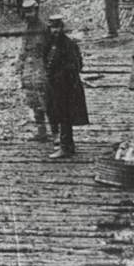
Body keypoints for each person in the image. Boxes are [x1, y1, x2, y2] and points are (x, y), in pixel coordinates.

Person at [44, 15, 89, 159]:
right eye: (52, 28)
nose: (55, 31)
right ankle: (66, 144)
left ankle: (66, 146)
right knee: (57, 113)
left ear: (62, 28)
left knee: (65, 116)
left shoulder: (69, 45)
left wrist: (60, 77)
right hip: (55, 86)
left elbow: (75, 66)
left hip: (67, 86)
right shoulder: (50, 43)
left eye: (58, 27)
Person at [16, 0, 56, 142]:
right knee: (32, 100)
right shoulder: (27, 27)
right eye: (26, 12)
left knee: (46, 99)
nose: (28, 15)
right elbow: (24, 46)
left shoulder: (45, 28)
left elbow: (52, 48)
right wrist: (20, 63)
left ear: (36, 11)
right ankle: (41, 131)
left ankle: (56, 132)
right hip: (29, 66)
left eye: (31, 11)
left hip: (42, 66)